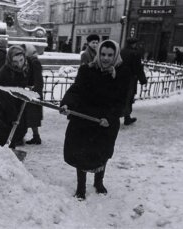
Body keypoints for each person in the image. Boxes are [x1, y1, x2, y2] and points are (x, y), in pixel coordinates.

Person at [60, 40, 130, 200]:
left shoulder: (123, 74)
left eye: (110, 55)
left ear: (115, 55)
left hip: (105, 122)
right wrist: (66, 104)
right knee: (81, 152)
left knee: (102, 153)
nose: (106, 58)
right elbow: (76, 90)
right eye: (103, 54)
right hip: (85, 119)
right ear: (98, 54)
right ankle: (80, 188)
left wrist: (110, 118)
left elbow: (122, 101)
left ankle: (99, 182)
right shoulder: (87, 70)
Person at [0, 45, 29, 148]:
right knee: (2, 143)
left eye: (21, 60)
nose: (19, 64)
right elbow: (4, 98)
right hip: (1, 115)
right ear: (10, 60)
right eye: (15, 61)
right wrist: (13, 116)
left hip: (12, 112)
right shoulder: (5, 73)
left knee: (10, 142)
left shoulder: (21, 71)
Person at [121, 37, 147, 125]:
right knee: (128, 97)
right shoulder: (135, 53)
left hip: (120, 78)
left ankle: (120, 116)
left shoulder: (122, 51)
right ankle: (127, 118)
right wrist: (143, 79)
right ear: (134, 44)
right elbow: (138, 68)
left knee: (121, 96)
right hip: (130, 79)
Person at [22, 44, 43, 145]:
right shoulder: (31, 60)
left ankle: (35, 137)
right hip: (32, 91)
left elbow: (37, 79)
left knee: (31, 116)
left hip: (33, 92)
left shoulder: (34, 62)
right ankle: (35, 136)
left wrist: (35, 90)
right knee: (31, 116)